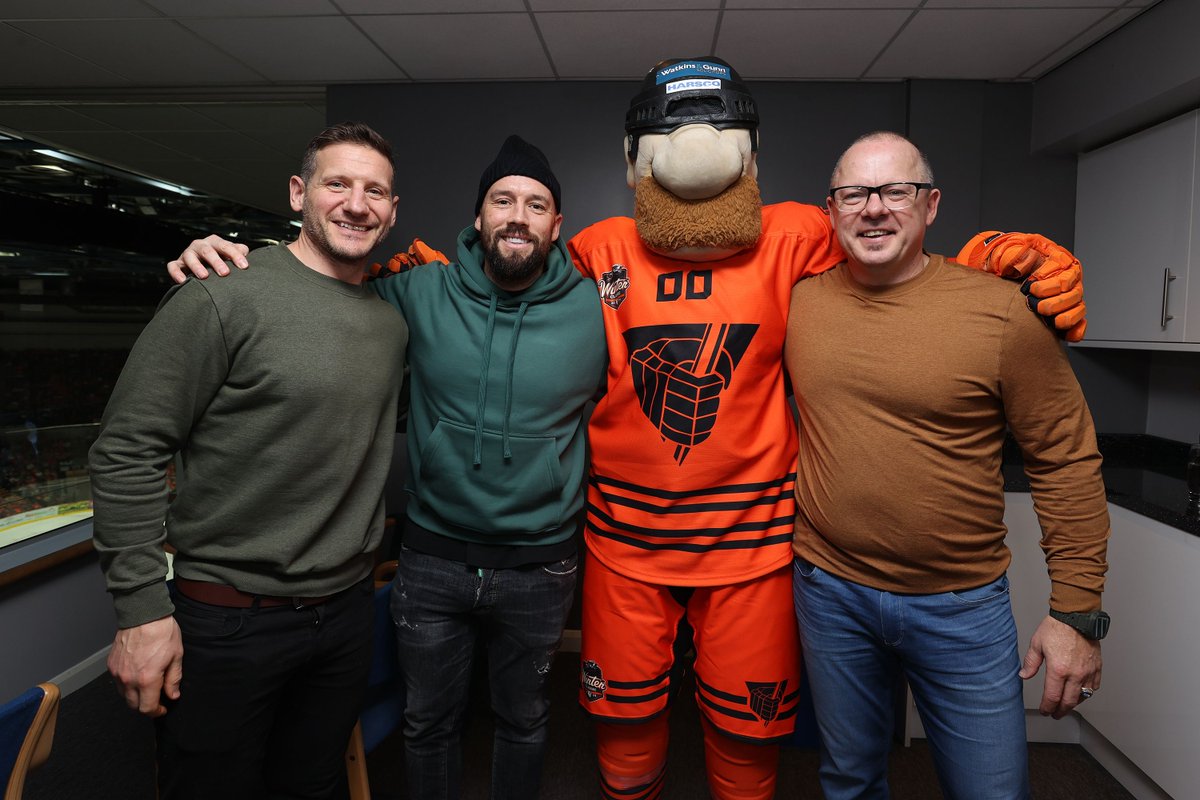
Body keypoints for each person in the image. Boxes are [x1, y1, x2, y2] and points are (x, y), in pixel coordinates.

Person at [166, 134, 607, 800]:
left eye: (536, 204)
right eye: (502, 199)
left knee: (525, 716)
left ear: (556, 224)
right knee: (428, 722)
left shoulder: (596, 308)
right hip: (431, 559)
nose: (518, 215)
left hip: (540, 563)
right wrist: (217, 261)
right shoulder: (415, 291)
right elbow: (322, 283)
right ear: (479, 216)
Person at [785, 131, 1111, 799]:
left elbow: (1065, 459)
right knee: (848, 779)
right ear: (832, 210)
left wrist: (1077, 613)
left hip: (959, 607)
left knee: (991, 792)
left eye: (894, 191)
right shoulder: (800, 304)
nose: (873, 208)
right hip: (830, 593)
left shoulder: (1002, 312)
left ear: (930, 206)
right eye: (855, 194)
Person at [90, 121, 407, 800]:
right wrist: (141, 613)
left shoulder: (388, 321)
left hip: (343, 616)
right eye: (338, 184)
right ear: (299, 193)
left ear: (392, 210)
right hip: (228, 618)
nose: (357, 203)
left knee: (314, 783)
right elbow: (127, 449)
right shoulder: (220, 291)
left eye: (375, 190)